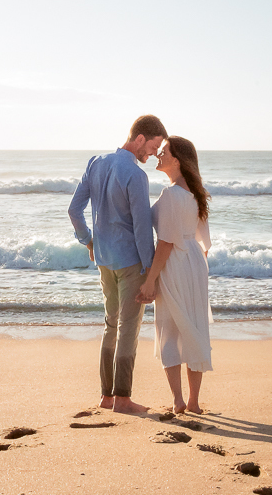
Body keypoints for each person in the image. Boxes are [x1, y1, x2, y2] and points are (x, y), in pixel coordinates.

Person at [68, 115, 169, 414]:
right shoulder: (136, 176)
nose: (151, 155)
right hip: (130, 263)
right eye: (152, 148)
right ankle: (122, 398)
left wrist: (88, 241)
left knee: (111, 324)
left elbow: (74, 210)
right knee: (128, 328)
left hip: (104, 260)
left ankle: (106, 396)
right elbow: (141, 229)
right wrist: (150, 271)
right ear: (139, 138)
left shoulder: (95, 163)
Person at [137, 136, 212, 414]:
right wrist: (196, 273)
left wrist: (150, 280)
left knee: (168, 329)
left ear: (177, 160)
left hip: (176, 261)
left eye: (164, 152)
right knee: (193, 326)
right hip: (193, 262)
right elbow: (202, 241)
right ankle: (193, 401)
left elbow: (166, 242)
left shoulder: (170, 194)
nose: (159, 154)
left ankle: (179, 401)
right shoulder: (195, 193)